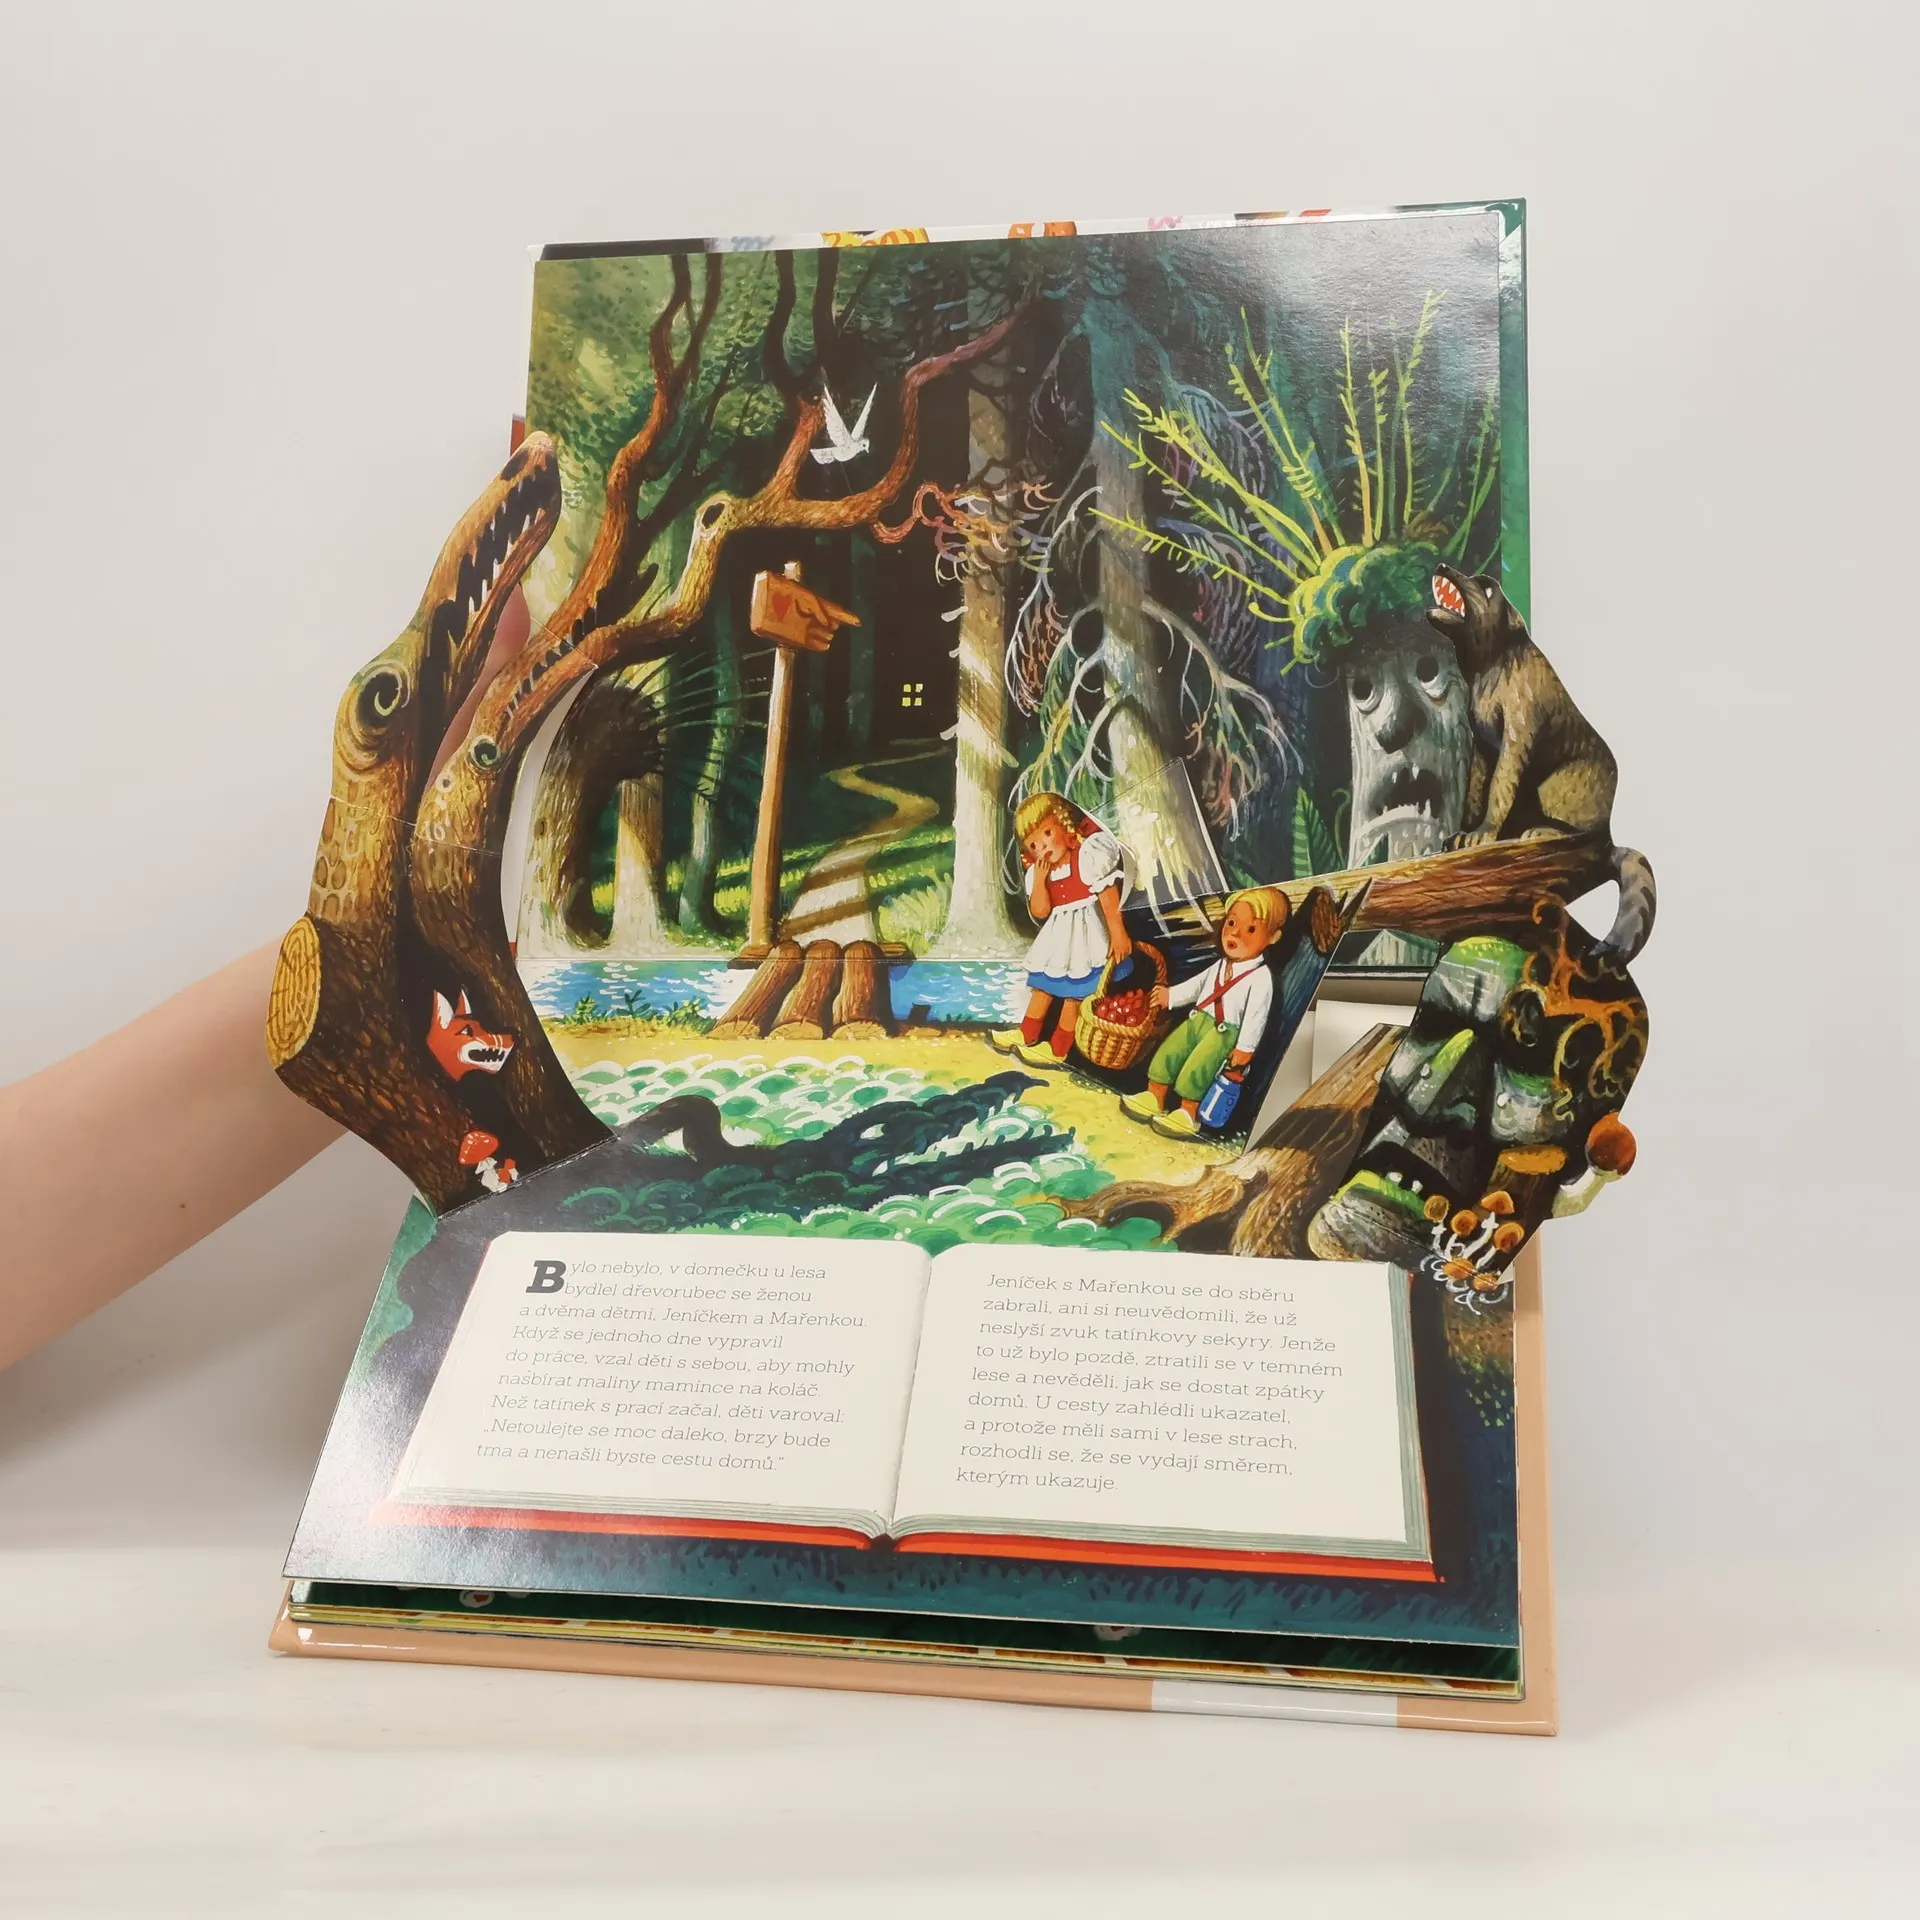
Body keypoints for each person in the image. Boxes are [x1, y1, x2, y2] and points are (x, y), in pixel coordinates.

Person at [1122, 885, 1288, 1139]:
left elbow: (1257, 1016)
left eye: (1251, 929)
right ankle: (1155, 1096)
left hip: (1222, 1033)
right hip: (1196, 1019)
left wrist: (1245, 1048)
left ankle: (1188, 1113)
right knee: (1170, 1052)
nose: (1235, 933)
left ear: (1273, 937)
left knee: (1199, 1068)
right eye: (1232, 923)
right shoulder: (1221, 964)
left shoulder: (1260, 978)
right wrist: (1171, 996)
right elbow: (1197, 985)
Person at [990, 791, 1132, 1070]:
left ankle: (1058, 1047)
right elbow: (1041, 911)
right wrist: (1040, 881)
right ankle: (1027, 1033)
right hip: (1057, 937)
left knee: (1074, 995)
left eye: (1047, 833)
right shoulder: (1040, 873)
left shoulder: (1087, 858)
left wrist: (1118, 933)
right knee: (1042, 988)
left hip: (1087, 934)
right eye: (1033, 844)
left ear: (1064, 827)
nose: (1042, 846)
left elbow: (1108, 897)